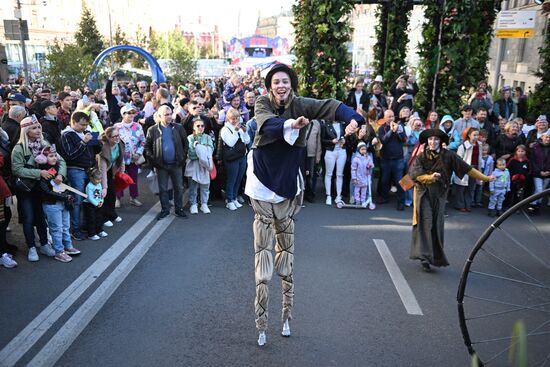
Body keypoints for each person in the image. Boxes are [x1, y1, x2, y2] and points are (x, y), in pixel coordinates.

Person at [245, 63, 364, 345]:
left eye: (285, 81)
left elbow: (331, 106)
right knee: (263, 260)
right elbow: (267, 123)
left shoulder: (301, 103)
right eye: (276, 82)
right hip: (261, 183)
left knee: (286, 258)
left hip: (287, 185)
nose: (281, 86)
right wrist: (292, 124)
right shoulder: (262, 102)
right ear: (270, 86)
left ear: (291, 84)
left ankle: (286, 317)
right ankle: (261, 324)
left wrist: (354, 118)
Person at [409, 129, 494, 272]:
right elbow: (415, 175)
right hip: (423, 193)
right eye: (430, 139)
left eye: (436, 139)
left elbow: (467, 169)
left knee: (436, 225)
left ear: (441, 142)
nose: (433, 142)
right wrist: (430, 177)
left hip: (441, 195)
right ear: (427, 142)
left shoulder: (449, 156)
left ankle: (434, 257)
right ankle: (424, 257)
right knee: (426, 222)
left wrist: (486, 178)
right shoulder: (421, 156)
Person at [12, 116, 66, 262]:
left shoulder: (45, 143)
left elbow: (60, 161)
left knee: (41, 217)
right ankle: (31, 247)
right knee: (29, 218)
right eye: (34, 128)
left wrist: (60, 174)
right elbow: (17, 170)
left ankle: (44, 244)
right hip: (26, 189)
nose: (38, 130)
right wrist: (39, 172)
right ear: (26, 130)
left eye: (39, 127)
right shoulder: (19, 148)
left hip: (43, 188)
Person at [59, 112, 101, 241]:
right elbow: (70, 155)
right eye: (82, 124)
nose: (84, 127)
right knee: (77, 200)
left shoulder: (85, 133)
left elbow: (95, 151)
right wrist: (83, 142)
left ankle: (87, 226)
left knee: (88, 199)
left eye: (86, 125)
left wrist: (96, 142)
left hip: (88, 169)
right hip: (75, 170)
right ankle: (75, 230)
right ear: (73, 122)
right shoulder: (66, 135)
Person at [36, 146, 81, 262]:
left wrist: (67, 194)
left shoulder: (58, 169)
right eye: (51, 156)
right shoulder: (43, 172)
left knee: (66, 226)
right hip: (51, 204)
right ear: (42, 158)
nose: (54, 158)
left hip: (63, 202)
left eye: (55, 155)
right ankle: (59, 251)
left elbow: (64, 184)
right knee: (56, 228)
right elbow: (46, 191)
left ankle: (68, 246)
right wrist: (65, 196)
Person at [144, 105, 188, 220]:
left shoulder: (178, 128)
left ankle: (179, 209)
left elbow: (185, 144)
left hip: (176, 164)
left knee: (178, 187)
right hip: (161, 165)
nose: (169, 117)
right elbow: (147, 147)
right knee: (163, 189)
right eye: (166, 114)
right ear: (159, 116)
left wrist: (182, 159)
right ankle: (165, 210)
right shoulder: (152, 130)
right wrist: (154, 160)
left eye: (170, 114)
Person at [114, 104, 145, 208]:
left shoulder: (138, 126)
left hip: (133, 158)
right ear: (123, 114)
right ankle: (117, 198)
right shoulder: (117, 127)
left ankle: (133, 198)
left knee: (134, 178)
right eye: (129, 113)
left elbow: (142, 141)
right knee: (119, 178)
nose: (132, 114)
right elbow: (112, 142)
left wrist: (139, 153)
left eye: (133, 112)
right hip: (120, 159)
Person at [219, 108, 250, 210]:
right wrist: (236, 130)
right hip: (232, 158)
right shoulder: (225, 129)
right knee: (231, 180)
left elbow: (247, 141)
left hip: (242, 156)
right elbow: (230, 142)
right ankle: (229, 200)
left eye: (237, 118)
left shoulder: (239, 127)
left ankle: (234, 197)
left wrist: (244, 132)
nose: (235, 120)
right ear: (228, 118)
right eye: (233, 118)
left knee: (239, 179)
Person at [378, 109, 407, 210]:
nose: (391, 118)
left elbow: (404, 139)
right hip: (385, 159)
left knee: (400, 182)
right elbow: (383, 140)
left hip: (398, 159)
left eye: (392, 116)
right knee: (384, 180)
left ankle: (401, 202)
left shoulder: (400, 127)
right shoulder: (382, 128)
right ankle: (385, 197)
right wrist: (391, 130)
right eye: (389, 116)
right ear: (385, 118)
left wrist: (398, 131)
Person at [186, 117, 214, 214]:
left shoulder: (208, 137)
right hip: (193, 165)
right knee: (193, 186)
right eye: (198, 126)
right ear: (193, 127)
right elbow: (191, 154)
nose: (200, 127)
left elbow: (210, 151)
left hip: (205, 166)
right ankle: (193, 204)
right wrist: (203, 151)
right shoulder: (190, 138)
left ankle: (204, 204)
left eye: (202, 126)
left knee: (205, 186)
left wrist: (198, 148)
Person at [99, 127, 125, 227]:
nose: (116, 138)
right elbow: (103, 170)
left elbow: (121, 158)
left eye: (117, 135)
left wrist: (122, 171)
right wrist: (104, 187)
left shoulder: (120, 143)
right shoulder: (104, 149)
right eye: (114, 136)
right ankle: (104, 217)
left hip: (112, 169)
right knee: (106, 194)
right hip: (102, 171)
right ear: (108, 138)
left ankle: (112, 214)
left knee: (113, 193)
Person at [454, 128, 482, 212]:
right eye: (474, 135)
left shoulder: (479, 145)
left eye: (477, 135)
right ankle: (460, 205)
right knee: (461, 187)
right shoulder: (463, 146)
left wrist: (479, 169)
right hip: (465, 168)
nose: (476, 137)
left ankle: (468, 204)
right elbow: (458, 159)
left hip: (475, 168)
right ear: (469, 135)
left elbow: (479, 158)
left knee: (470, 187)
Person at [321, 119, 347, 205]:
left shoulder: (343, 124)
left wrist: (344, 140)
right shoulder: (325, 125)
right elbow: (322, 140)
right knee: (329, 174)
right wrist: (331, 141)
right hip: (330, 151)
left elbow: (346, 136)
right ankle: (328, 195)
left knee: (340, 174)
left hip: (342, 151)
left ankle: (338, 196)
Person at [83, 168, 107, 240]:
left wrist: (101, 201)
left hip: (98, 203)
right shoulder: (89, 186)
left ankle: (99, 230)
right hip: (90, 205)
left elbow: (100, 195)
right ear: (91, 178)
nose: (99, 181)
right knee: (91, 219)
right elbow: (89, 197)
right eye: (97, 179)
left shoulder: (99, 184)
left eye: (100, 179)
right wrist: (96, 204)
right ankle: (91, 234)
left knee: (99, 218)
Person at [528, 132, 550, 214]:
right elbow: (532, 160)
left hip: (548, 173)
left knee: (541, 190)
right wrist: (538, 171)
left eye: (549, 137)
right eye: (546, 137)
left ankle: (535, 205)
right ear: (542, 138)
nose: (548, 139)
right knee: (539, 190)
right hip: (538, 173)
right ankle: (533, 204)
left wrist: (549, 171)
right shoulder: (535, 147)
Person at [351, 142, 374, 208]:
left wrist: (370, 165)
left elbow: (372, 164)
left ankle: (363, 201)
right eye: (362, 149)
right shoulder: (356, 159)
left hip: (365, 177)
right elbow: (353, 169)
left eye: (365, 149)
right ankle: (357, 201)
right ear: (359, 150)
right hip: (358, 178)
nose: (364, 151)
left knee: (364, 190)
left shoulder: (368, 158)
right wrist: (354, 178)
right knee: (357, 190)